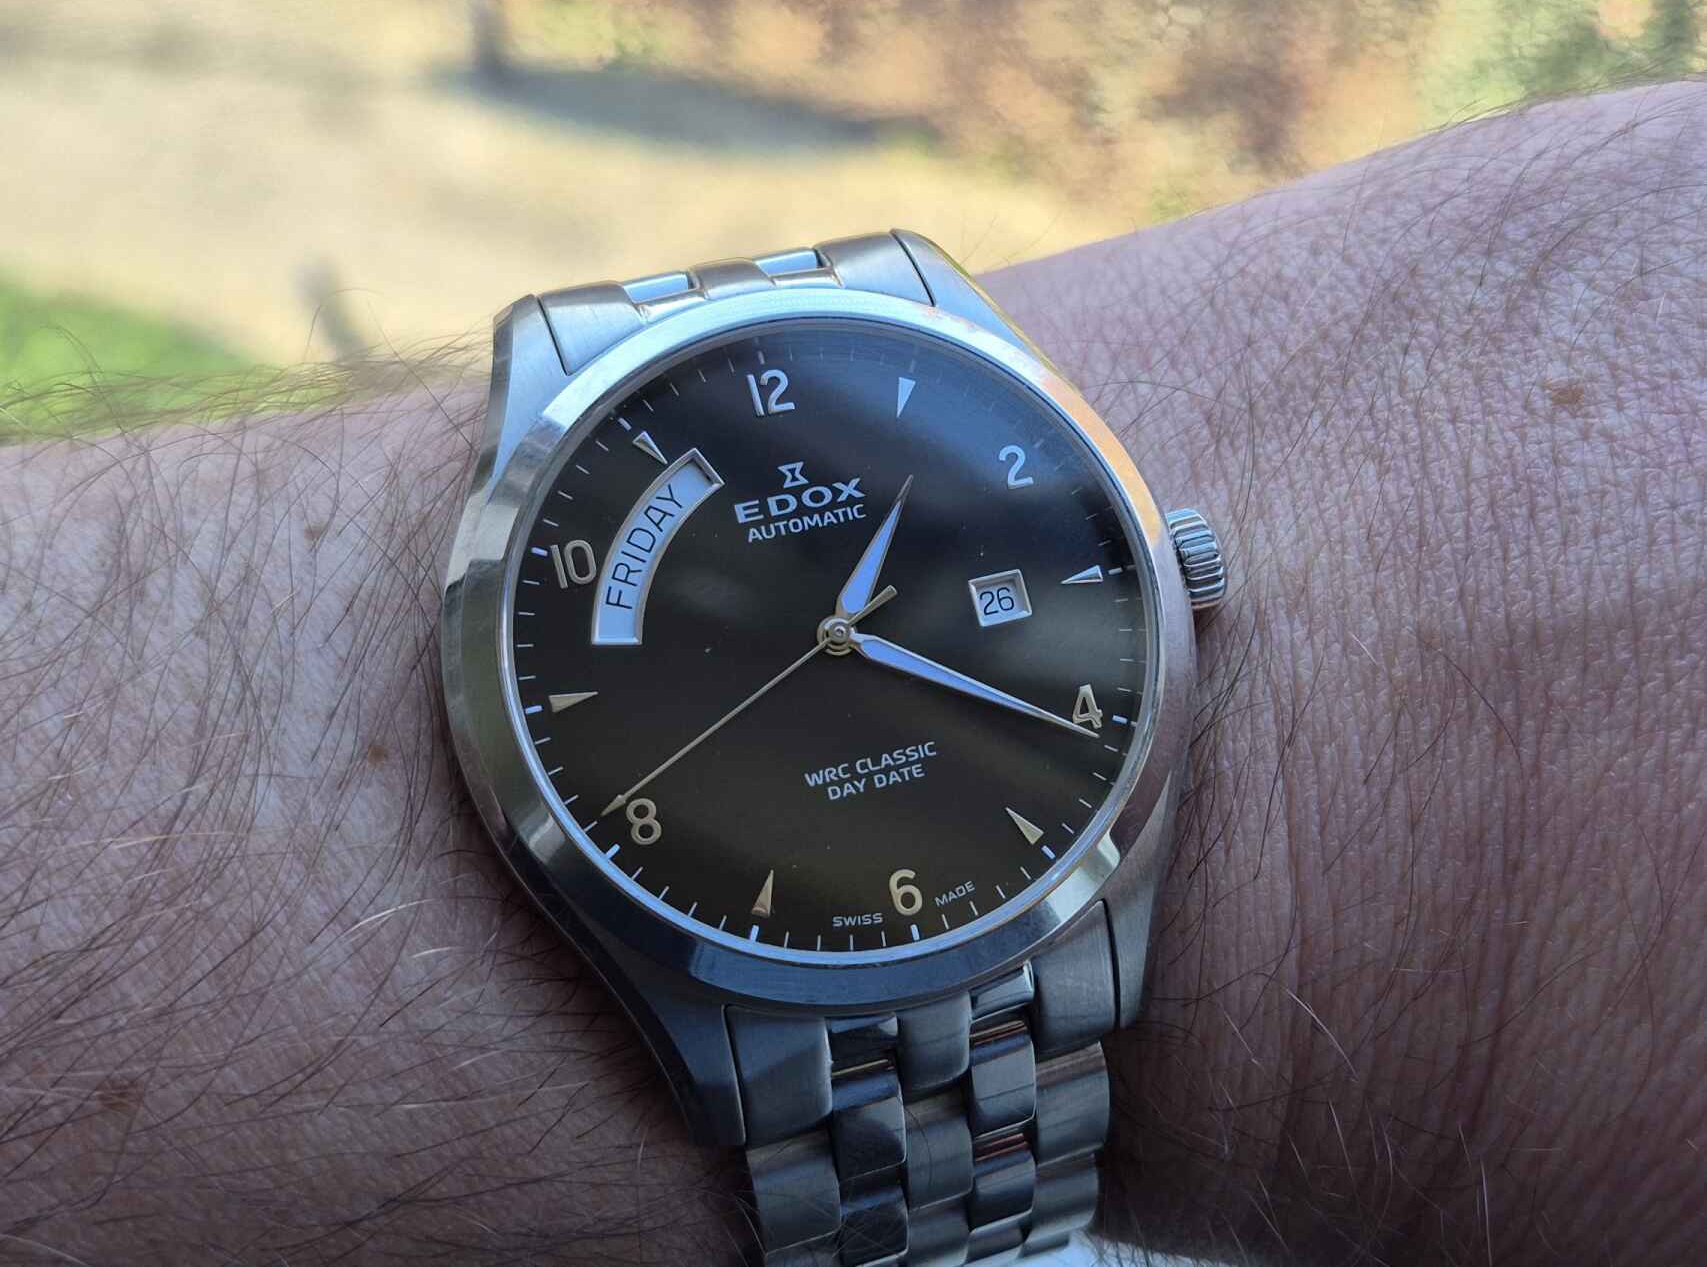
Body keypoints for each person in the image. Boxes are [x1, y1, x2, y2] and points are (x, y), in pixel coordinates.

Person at [2, 82, 1702, 1265]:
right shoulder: (551, 598)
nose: (832, 637)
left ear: (1172, 566)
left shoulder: (1066, 562)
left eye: (853, 622)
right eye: (827, 633)